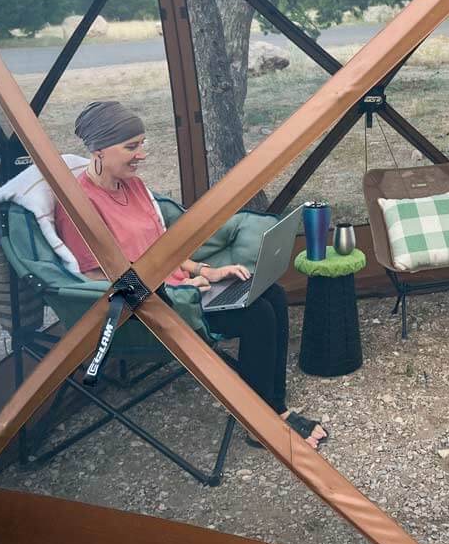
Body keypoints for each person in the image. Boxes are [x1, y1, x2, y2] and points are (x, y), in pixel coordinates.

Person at [54, 100, 327, 449]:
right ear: (99, 149)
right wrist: (174, 290)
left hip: (182, 291)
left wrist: (207, 272)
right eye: (131, 147)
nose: (142, 155)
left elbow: (162, 251)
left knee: (269, 293)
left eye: (142, 144)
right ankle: (264, 422)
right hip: (147, 310)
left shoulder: (134, 187)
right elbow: (95, 278)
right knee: (256, 315)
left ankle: (273, 410)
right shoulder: (79, 206)